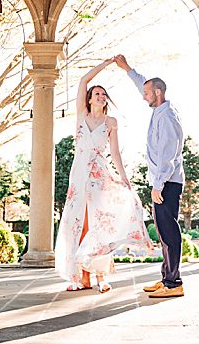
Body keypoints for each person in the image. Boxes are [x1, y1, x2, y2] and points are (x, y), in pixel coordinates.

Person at [54, 58, 152, 293]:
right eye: (97, 93)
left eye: (103, 94)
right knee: (79, 223)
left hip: (99, 175)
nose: (100, 97)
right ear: (89, 98)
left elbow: (115, 153)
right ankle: (81, 276)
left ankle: (101, 276)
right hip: (78, 176)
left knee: (100, 223)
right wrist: (106, 63)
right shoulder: (81, 115)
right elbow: (83, 80)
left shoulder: (111, 122)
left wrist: (125, 178)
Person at [114, 54, 185, 298]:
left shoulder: (167, 117)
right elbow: (144, 83)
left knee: (169, 232)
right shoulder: (160, 108)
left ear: (157, 92)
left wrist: (158, 185)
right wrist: (128, 69)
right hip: (163, 182)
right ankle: (167, 278)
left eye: (147, 93)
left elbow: (169, 156)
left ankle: (174, 284)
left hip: (167, 183)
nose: (143, 96)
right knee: (164, 232)